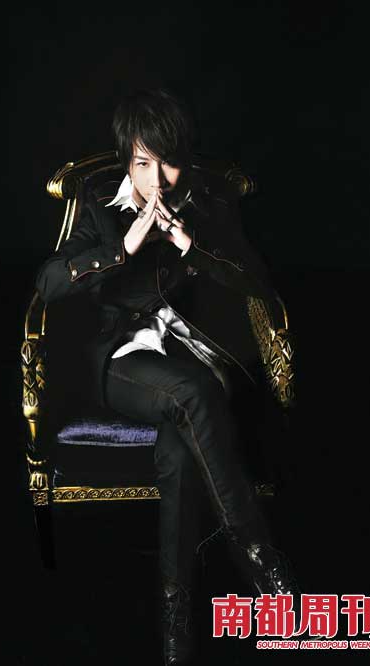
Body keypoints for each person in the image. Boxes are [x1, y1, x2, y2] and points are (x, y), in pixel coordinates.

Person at [35, 87, 300, 665]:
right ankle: (261, 557)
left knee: (179, 452)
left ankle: (176, 621)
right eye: (143, 163)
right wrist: (122, 248)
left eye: (170, 162)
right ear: (127, 160)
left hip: (193, 357)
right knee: (193, 393)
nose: (157, 179)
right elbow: (49, 284)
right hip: (122, 363)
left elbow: (254, 280)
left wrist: (189, 245)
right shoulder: (97, 202)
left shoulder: (205, 203)